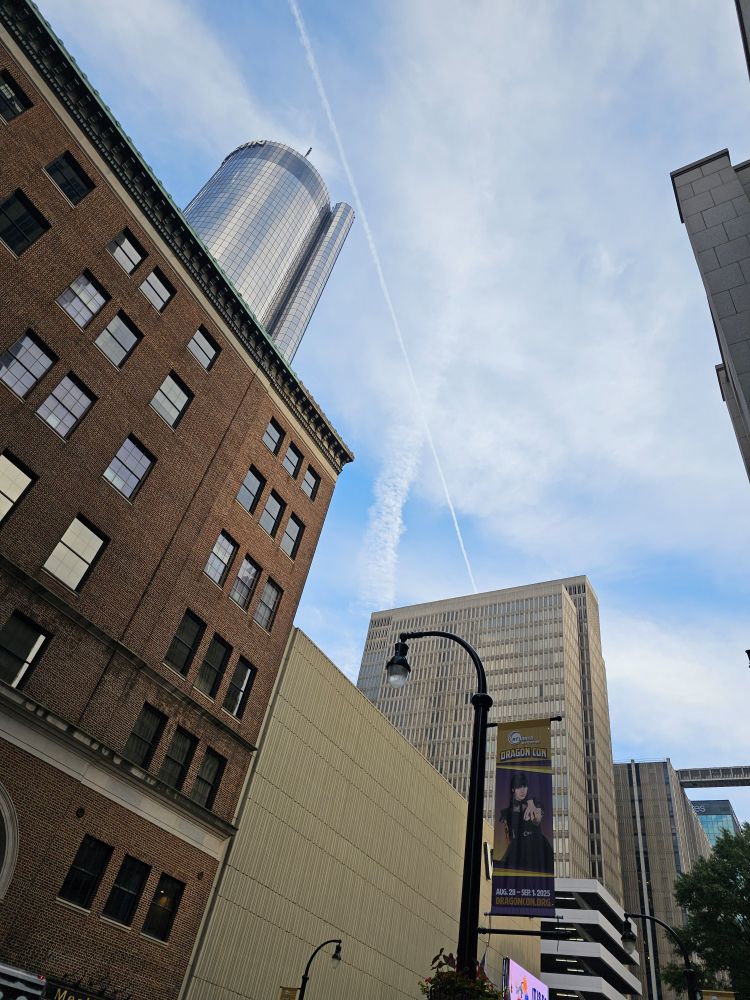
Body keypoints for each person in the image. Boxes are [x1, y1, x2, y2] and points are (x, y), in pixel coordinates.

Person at [495, 771, 553, 873]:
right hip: (518, 849)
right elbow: (508, 836)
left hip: (537, 846)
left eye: (524, 786)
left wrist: (530, 803)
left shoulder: (534, 804)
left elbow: (537, 821)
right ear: (513, 789)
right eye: (518, 787)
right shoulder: (507, 812)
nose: (522, 790)